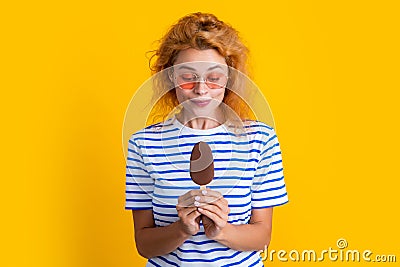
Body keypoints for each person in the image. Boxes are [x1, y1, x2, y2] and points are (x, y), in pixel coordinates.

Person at [125, 12, 288, 266]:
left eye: (213, 78)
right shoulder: (143, 144)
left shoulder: (260, 140)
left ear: (229, 78)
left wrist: (221, 231)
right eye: (188, 77)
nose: (201, 89)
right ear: (170, 77)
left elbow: (262, 236)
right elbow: (143, 244)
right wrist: (182, 229)